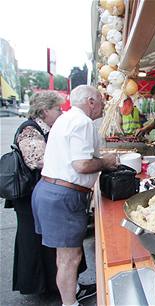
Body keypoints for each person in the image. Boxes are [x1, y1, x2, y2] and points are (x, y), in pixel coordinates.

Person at [32, 85, 118, 306]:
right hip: (64, 195)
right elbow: (81, 164)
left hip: (49, 190)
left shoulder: (65, 118)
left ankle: (74, 291)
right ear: (91, 102)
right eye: (101, 100)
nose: (103, 105)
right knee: (70, 259)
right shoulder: (83, 122)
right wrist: (106, 163)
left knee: (64, 256)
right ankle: (70, 303)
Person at [5, 91, 69, 296]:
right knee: (33, 238)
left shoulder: (45, 128)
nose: (61, 112)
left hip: (37, 191)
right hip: (29, 194)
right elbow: (39, 161)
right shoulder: (29, 130)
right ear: (44, 111)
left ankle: (50, 284)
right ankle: (39, 285)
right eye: (57, 109)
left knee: (43, 237)